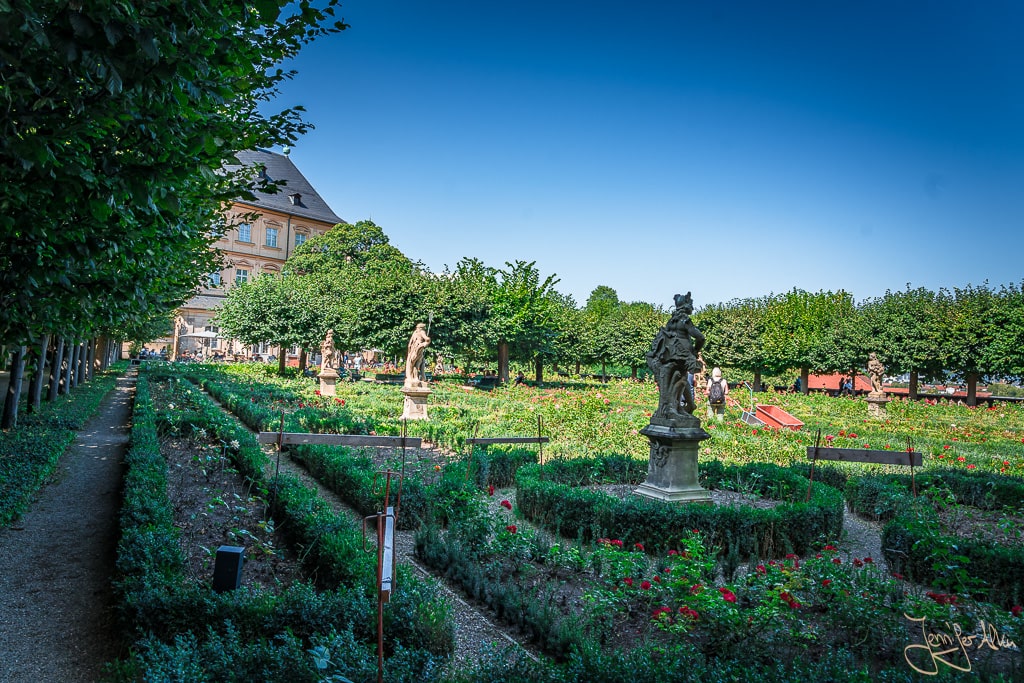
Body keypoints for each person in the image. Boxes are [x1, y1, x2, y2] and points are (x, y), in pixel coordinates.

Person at [404, 322, 431, 387]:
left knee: (414, 363)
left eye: (418, 327)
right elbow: (426, 339)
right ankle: (414, 377)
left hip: (415, 348)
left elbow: (410, 343)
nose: (417, 328)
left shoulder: (416, 332)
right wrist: (428, 341)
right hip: (418, 348)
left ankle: (412, 377)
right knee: (417, 364)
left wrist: (409, 351)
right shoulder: (421, 332)